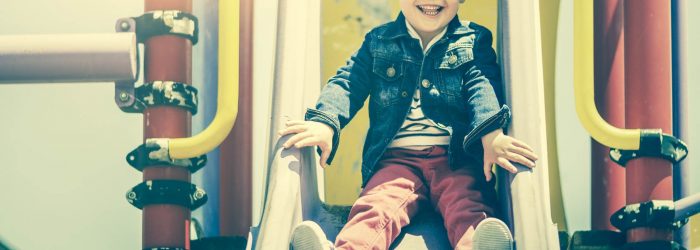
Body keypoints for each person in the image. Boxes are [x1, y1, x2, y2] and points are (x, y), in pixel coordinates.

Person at [279, 0, 538, 249]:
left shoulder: (472, 40)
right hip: (397, 162)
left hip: (455, 160)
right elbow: (348, 83)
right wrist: (326, 122)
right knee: (374, 209)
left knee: (467, 207)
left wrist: (491, 135)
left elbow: (481, 86)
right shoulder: (379, 42)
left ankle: (480, 246)